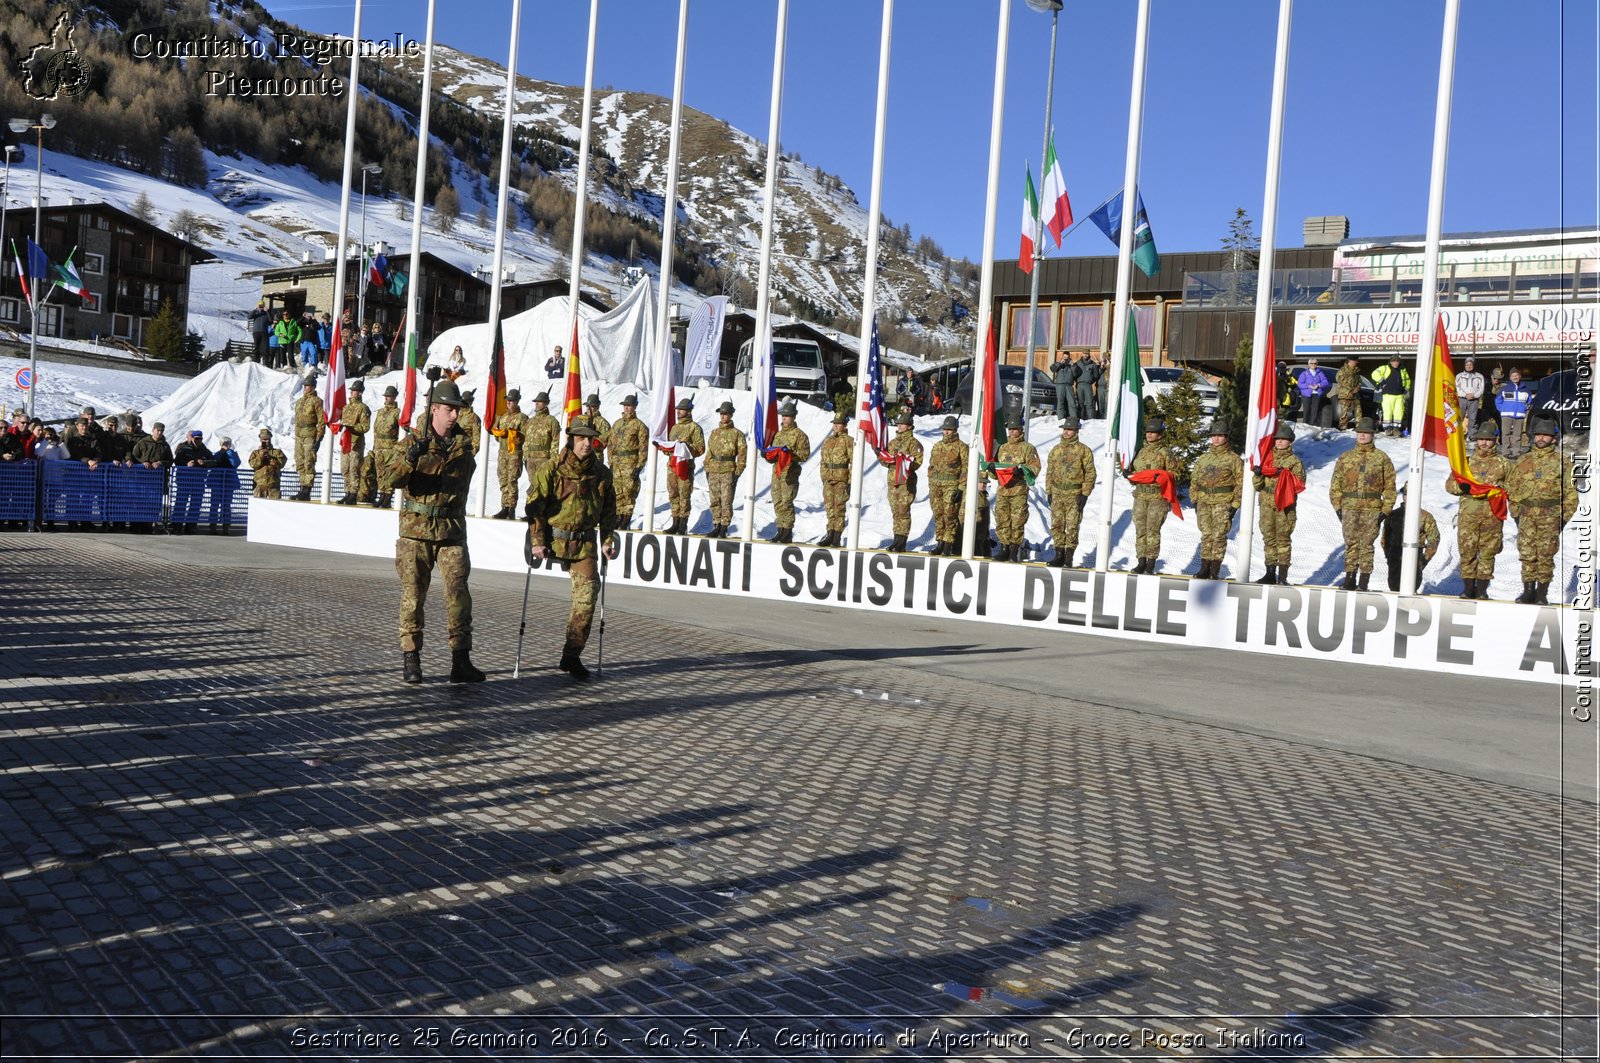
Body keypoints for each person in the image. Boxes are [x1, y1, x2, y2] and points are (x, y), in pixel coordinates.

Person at [386, 378, 483, 684]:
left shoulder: (462, 447)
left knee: (458, 596)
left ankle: (461, 659)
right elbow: (389, 479)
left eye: (457, 410)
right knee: (413, 597)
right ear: (435, 410)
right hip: (416, 533)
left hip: (451, 532)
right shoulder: (411, 444)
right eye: (450, 410)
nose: (455, 416)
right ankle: (411, 657)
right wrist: (412, 458)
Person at [524, 420, 618, 680]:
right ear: (571, 439)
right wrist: (537, 540)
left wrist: (607, 540)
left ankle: (572, 655)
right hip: (554, 538)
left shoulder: (601, 473)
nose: (587, 444)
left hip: (584, 542)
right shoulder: (551, 469)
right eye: (581, 439)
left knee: (587, 597)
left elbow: (609, 512)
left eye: (591, 440)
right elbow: (535, 507)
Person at [1505, 413, 1577, 605]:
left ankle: (1541, 594)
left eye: (1545, 435)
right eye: (1538, 435)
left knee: (1546, 556)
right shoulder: (1522, 461)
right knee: (1527, 555)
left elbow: (1571, 494)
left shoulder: (1563, 462)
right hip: (1527, 515)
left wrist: (1563, 519)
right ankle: (1527, 591)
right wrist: (1516, 514)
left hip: (1550, 517)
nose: (1541, 438)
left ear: (1553, 438)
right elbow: (1511, 489)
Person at [1328, 416, 1396, 590]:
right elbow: (1335, 484)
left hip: (1372, 508)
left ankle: (1364, 581)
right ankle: (1349, 578)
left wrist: (1386, 510)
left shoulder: (1381, 459)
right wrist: (1337, 507)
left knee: (1366, 545)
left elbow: (1390, 486)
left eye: (1366, 433)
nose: (1363, 436)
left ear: (1372, 435)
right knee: (1351, 543)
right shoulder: (1345, 457)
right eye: (1360, 433)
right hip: (1349, 507)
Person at [1445, 421, 1509, 600]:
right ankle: (1467, 589)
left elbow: (1513, 487)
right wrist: (1462, 488)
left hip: (1492, 515)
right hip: (1469, 514)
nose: (1484, 443)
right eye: (1481, 439)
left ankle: (1482, 590)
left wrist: (1501, 488)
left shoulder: (1503, 463)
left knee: (1488, 552)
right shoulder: (1465, 463)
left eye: (1488, 440)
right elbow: (1449, 486)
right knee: (1467, 551)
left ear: (1495, 440)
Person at [1188, 419, 1242, 579]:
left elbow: (1241, 482)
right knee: (1206, 535)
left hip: (1223, 502)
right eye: (1214, 436)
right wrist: (1194, 500)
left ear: (1226, 437)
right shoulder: (1204, 459)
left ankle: (1214, 570)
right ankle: (1204, 568)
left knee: (1218, 536)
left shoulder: (1233, 459)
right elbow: (1194, 480)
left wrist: (1236, 503)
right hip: (1204, 502)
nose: (1216, 439)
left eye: (1220, 435)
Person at [1129, 417, 1183, 574]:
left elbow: (1175, 474)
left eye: (1154, 432)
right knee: (1140, 530)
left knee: (1153, 530)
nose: (1150, 435)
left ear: (1160, 435)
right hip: (1140, 496)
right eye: (1148, 432)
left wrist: (1159, 476)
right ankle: (1140, 561)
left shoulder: (1165, 453)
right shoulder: (1139, 452)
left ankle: (1151, 562)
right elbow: (1136, 473)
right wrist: (1131, 476)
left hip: (1157, 497)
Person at [1253, 423, 1305, 584]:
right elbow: (1257, 486)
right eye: (1278, 439)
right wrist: (1258, 474)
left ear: (1290, 442)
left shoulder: (1294, 462)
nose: (1280, 442)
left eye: (1284, 440)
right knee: (1269, 539)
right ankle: (1270, 573)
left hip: (1284, 506)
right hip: (1267, 505)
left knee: (1283, 540)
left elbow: (1299, 484)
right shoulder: (1268, 459)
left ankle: (1282, 576)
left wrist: (1283, 474)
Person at [1045, 416, 1095, 568]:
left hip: (1074, 494)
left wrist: (1085, 494)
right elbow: (1050, 472)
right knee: (1057, 525)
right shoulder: (1056, 450)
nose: (1066, 432)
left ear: (1076, 431)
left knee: (1072, 526)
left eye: (1070, 430)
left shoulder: (1083, 450)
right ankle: (1058, 554)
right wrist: (1049, 492)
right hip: (1057, 492)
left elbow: (1090, 473)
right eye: (1065, 429)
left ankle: (1069, 557)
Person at [989, 415, 1040, 562]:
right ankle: (1004, 548)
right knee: (1002, 520)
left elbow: (1035, 467)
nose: (1012, 432)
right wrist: (993, 469)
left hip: (1018, 490)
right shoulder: (1002, 448)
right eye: (1010, 429)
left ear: (1021, 429)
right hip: (1003, 490)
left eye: (1015, 429)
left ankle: (1014, 550)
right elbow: (996, 474)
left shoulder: (1028, 448)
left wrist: (1022, 470)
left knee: (1017, 521)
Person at [764, 400, 810, 543]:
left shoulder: (799, 435)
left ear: (794, 417)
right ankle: (780, 529)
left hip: (790, 473)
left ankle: (787, 531)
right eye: (783, 416)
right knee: (777, 501)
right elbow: (773, 452)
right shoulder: (777, 435)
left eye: (787, 416)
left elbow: (804, 455)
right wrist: (768, 456)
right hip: (777, 472)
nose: (784, 418)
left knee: (786, 502)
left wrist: (790, 454)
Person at [925, 415, 969, 556]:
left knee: (950, 515)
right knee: (938, 514)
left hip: (951, 485)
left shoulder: (961, 447)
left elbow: (966, 468)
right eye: (945, 429)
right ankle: (940, 542)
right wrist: (931, 481)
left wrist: (961, 488)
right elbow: (931, 465)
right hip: (936, 485)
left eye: (949, 430)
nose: (946, 432)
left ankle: (948, 544)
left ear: (955, 430)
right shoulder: (937, 446)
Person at [1381, 487, 1440, 594]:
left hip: (1415, 556)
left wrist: (1424, 559)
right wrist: (1389, 555)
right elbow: (1385, 537)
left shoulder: (1425, 516)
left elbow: (1434, 539)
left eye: (1411, 494)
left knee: (1411, 589)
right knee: (1394, 588)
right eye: (1405, 495)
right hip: (1396, 555)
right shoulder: (1393, 515)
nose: (1408, 498)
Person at [704, 400, 747, 538]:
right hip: (714, 469)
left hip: (728, 470)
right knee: (714, 500)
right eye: (721, 414)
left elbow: (742, 455)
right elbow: (709, 452)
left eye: (725, 414)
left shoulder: (737, 434)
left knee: (726, 500)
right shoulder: (714, 433)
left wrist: (738, 471)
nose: (723, 416)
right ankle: (716, 524)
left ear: (731, 415)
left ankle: (724, 527)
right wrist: (707, 468)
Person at [662, 398, 705, 535]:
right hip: (672, 466)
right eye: (678, 410)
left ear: (688, 411)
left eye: (681, 410)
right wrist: (666, 448)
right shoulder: (675, 428)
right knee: (673, 493)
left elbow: (700, 448)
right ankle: (675, 521)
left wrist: (686, 448)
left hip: (685, 467)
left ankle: (682, 524)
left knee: (684, 495)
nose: (678, 412)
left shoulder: (694, 428)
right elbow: (669, 445)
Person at [882, 410, 923, 552]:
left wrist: (904, 462)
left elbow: (917, 462)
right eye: (898, 424)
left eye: (902, 424)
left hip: (906, 483)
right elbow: (885, 461)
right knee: (895, 512)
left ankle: (902, 540)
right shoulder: (892, 443)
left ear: (909, 426)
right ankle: (896, 539)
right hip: (893, 482)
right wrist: (883, 456)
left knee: (903, 511)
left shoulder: (914, 443)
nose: (899, 426)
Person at [607, 394, 649, 529]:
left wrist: (640, 465)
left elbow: (643, 448)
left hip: (630, 463)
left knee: (629, 492)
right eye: (625, 405)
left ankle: (626, 518)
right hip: (617, 463)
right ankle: (618, 516)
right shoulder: (617, 424)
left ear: (635, 407)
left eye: (629, 406)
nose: (626, 408)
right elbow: (610, 444)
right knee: (617, 492)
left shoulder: (639, 426)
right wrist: (610, 462)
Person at [488, 388, 529, 519]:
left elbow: (525, 437)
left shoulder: (522, 418)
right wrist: (500, 434)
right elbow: (496, 433)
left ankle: (511, 508)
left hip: (514, 452)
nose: (509, 403)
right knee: (503, 479)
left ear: (517, 401)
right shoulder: (503, 417)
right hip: (502, 452)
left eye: (512, 401)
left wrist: (513, 434)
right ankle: (504, 507)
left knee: (512, 480)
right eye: (508, 400)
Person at [816, 411, 854, 547]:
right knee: (829, 508)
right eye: (835, 424)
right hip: (828, 478)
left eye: (839, 424)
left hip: (841, 478)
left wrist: (850, 481)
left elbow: (853, 461)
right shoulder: (828, 441)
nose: (836, 426)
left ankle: (837, 535)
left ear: (845, 425)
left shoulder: (848, 441)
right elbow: (823, 460)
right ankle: (830, 533)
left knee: (839, 507)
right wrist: (823, 475)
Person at [335, 379, 371, 505]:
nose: (352, 393)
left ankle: (353, 494)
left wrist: (353, 428)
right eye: (352, 390)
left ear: (360, 393)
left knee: (354, 469)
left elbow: (365, 427)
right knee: (344, 468)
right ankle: (347, 492)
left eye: (354, 391)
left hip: (356, 443)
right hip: (346, 442)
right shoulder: (346, 407)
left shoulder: (363, 408)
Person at [521, 391, 562, 503]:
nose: (537, 404)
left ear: (546, 403)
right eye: (536, 402)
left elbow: (555, 440)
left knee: (544, 485)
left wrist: (553, 459)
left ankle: (542, 512)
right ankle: (532, 509)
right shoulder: (530, 421)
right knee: (533, 484)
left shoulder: (551, 421)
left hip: (544, 459)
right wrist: (525, 457)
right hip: (530, 458)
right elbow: (526, 440)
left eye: (540, 402)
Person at [172, 429, 212, 533]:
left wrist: (204, 462)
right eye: (196, 439)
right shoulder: (184, 449)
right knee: (180, 504)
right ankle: (177, 526)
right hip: (184, 481)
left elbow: (214, 461)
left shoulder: (204, 450)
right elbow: (176, 461)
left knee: (195, 505)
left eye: (200, 439)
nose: (198, 441)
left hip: (198, 482)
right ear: (192, 438)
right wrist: (187, 464)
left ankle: (191, 526)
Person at [293, 372, 325, 500]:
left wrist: (319, 438)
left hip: (310, 435)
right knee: (299, 461)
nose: (306, 388)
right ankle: (302, 487)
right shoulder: (299, 401)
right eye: (305, 386)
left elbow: (321, 421)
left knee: (308, 462)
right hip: (299, 435)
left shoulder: (317, 401)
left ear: (313, 387)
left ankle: (307, 489)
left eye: (308, 386)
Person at [369, 384, 402, 508]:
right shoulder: (381, 412)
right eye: (386, 396)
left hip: (390, 447)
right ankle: (381, 494)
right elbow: (376, 430)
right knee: (380, 472)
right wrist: (374, 446)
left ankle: (387, 496)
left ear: (394, 397)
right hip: (379, 447)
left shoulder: (397, 412)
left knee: (388, 473)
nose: (387, 398)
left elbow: (401, 428)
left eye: (389, 396)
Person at [207, 436, 241, 533]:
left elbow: (235, 464)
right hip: (217, 483)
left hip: (228, 483)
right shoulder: (217, 454)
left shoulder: (233, 454)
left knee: (226, 505)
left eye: (227, 443)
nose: (225, 445)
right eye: (223, 443)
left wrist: (229, 452)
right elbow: (213, 463)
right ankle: (212, 526)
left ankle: (226, 527)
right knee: (214, 504)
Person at [1496, 368, 1532, 457]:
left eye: (1516, 375)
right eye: (1513, 376)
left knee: (1517, 435)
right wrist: (1502, 409)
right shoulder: (1505, 388)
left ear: (1520, 376)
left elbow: (1529, 401)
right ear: (1510, 377)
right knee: (1505, 434)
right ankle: (1505, 452)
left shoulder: (1526, 389)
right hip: (1506, 415)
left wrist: (1525, 409)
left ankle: (1516, 452)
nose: (1515, 377)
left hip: (1519, 415)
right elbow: (1498, 400)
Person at [1371, 356, 1410, 437]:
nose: (1395, 363)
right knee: (1387, 412)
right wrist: (1382, 381)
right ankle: (1388, 429)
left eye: (1397, 361)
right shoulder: (1384, 368)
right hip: (1387, 395)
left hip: (1399, 395)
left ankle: (1396, 429)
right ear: (1390, 362)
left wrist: (1406, 389)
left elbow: (1407, 380)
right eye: (1393, 361)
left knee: (1399, 412)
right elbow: (1374, 374)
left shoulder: (1403, 370)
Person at [249, 428, 287, 499]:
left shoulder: (277, 452)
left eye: (267, 439)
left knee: (275, 506)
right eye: (263, 439)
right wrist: (260, 456)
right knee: (259, 506)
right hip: (259, 485)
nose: (265, 441)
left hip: (273, 485)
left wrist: (272, 460)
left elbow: (282, 463)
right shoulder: (255, 453)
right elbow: (252, 465)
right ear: (260, 440)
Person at [1296, 359, 1331, 428]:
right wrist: (1308, 385)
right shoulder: (1304, 373)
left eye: (1315, 363)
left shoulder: (1320, 373)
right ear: (1309, 364)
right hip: (1306, 394)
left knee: (1314, 411)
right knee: (1306, 410)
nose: (1313, 365)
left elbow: (1326, 382)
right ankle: (1305, 426)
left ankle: (1312, 426)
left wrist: (1318, 385)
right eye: (1311, 363)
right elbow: (1300, 384)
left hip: (1316, 394)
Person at [1455, 357, 1485, 430]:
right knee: (1459, 416)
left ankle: (1471, 436)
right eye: (1467, 365)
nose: (1469, 366)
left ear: (1473, 365)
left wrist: (1474, 395)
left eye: (1471, 365)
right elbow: (1457, 388)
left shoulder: (1479, 376)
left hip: (1474, 400)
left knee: (1472, 418)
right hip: (1462, 399)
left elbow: (1481, 389)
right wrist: (1465, 395)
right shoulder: (1459, 376)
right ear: (1464, 366)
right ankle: (1457, 434)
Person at [1334, 355, 1362, 431]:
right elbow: (1340, 381)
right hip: (1345, 394)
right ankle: (1343, 427)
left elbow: (1359, 382)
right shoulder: (1342, 370)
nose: (1357, 362)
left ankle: (1359, 426)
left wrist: (1357, 388)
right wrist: (1351, 390)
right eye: (1355, 361)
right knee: (1344, 412)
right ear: (1350, 361)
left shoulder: (1356, 370)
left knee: (1358, 411)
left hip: (1355, 395)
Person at [1050, 355, 1079, 421]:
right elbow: (1052, 369)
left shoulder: (1072, 365)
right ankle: (1060, 419)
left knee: (1072, 402)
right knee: (1060, 402)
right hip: (1060, 385)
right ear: (1062, 357)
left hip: (1069, 385)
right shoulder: (1059, 364)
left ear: (1069, 357)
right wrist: (1059, 364)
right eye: (1064, 357)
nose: (1066, 359)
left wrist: (1073, 365)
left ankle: (1073, 418)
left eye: (1067, 357)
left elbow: (1076, 374)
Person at [456, 389, 482, 457]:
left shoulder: (474, 417)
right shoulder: (456, 414)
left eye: (469, 401)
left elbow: (477, 439)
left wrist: (470, 455)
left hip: (465, 453)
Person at [1076, 355, 1100, 420]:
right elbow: (1074, 373)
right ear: (1082, 354)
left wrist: (1090, 380)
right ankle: (1080, 418)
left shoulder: (1093, 364)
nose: (1085, 355)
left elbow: (1096, 375)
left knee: (1090, 402)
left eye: (1087, 353)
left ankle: (1090, 418)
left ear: (1089, 354)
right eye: (1084, 353)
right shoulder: (1078, 363)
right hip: (1079, 385)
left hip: (1088, 385)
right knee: (1080, 402)